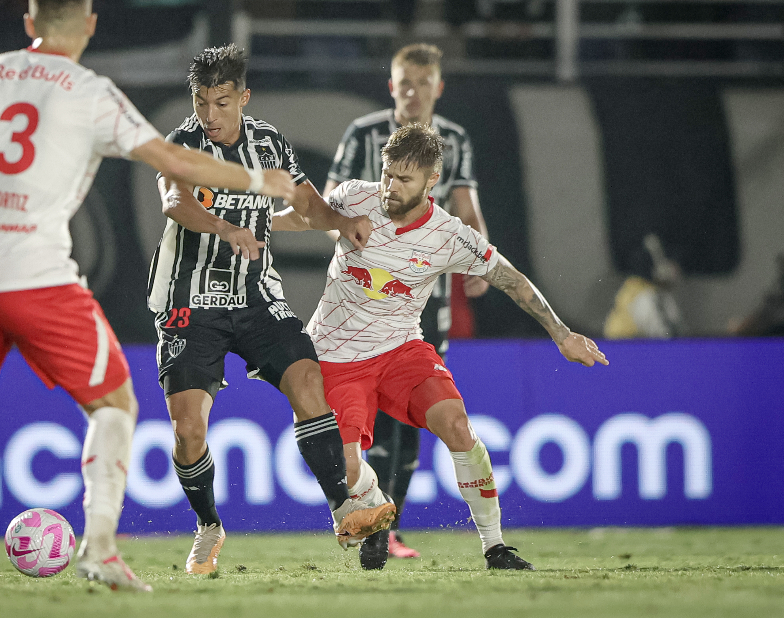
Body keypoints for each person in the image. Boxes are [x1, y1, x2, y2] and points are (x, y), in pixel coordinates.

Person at [0, 0, 295, 595]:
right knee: (115, 403)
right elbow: (173, 160)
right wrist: (258, 181)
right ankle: (99, 548)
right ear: (90, 25)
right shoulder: (92, 92)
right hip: (36, 273)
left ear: (30, 23)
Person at [289, 123, 608, 570]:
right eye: (387, 174)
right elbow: (307, 215)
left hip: (402, 349)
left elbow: (511, 279)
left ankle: (495, 547)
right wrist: (247, 227)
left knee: (458, 427)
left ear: (431, 180)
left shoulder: (449, 235)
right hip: (336, 357)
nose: (390, 187)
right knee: (345, 468)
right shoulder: (353, 197)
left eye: (404, 179)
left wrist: (562, 334)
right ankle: (376, 517)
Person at [147, 43, 395, 575]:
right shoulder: (181, 143)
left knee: (308, 379)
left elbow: (307, 204)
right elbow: (174, 201)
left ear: (243, 97)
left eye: (220, 102)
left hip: (258, 295)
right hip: (191, 301)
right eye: (200, 102)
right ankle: (208, 525)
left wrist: (341, 222)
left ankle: (343, 507)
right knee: (188, 429)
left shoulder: (269, 142)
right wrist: (224, 227)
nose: (209, 115)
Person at [322, 42, 488, 561]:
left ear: (438, 87)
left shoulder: (455, 140)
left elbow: (466, 206)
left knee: (414, 414)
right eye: (404, 81)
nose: (412, 91)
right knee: (364, 414)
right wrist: (348, 235)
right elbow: (329, 204)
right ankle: (369, 510)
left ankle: (390, 527)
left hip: (422, 302)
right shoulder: (363, 134)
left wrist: (478, 266)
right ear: (391, 84)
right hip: (361, 303)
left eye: (423, 82)